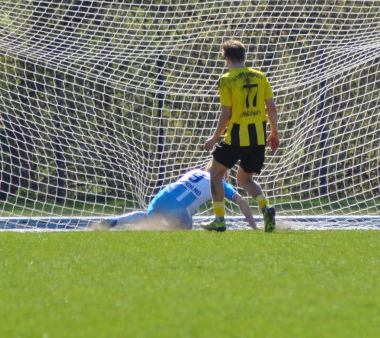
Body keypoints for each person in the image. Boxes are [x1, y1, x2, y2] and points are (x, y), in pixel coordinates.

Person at [202, 40, 280, 232]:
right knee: (245, 179)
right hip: (258, 138)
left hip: (236, 138)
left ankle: (219, 220)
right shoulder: (260, 77)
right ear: (244, 58)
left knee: (213, 174)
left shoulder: (226, 79)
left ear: (227, 59)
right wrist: (275, 133)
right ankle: (265, 207)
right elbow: (271, 107)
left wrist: (214, 138)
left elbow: (226, 114)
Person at [98, 163, 257, 230]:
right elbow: (241, 201)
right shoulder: (221, 184)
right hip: (178, 207)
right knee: (187, 227)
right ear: (224, 174)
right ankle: (160, 230)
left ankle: (114, 221)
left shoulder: (195, 172)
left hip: (164, 194)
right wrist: (254, 226)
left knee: (148, 218)